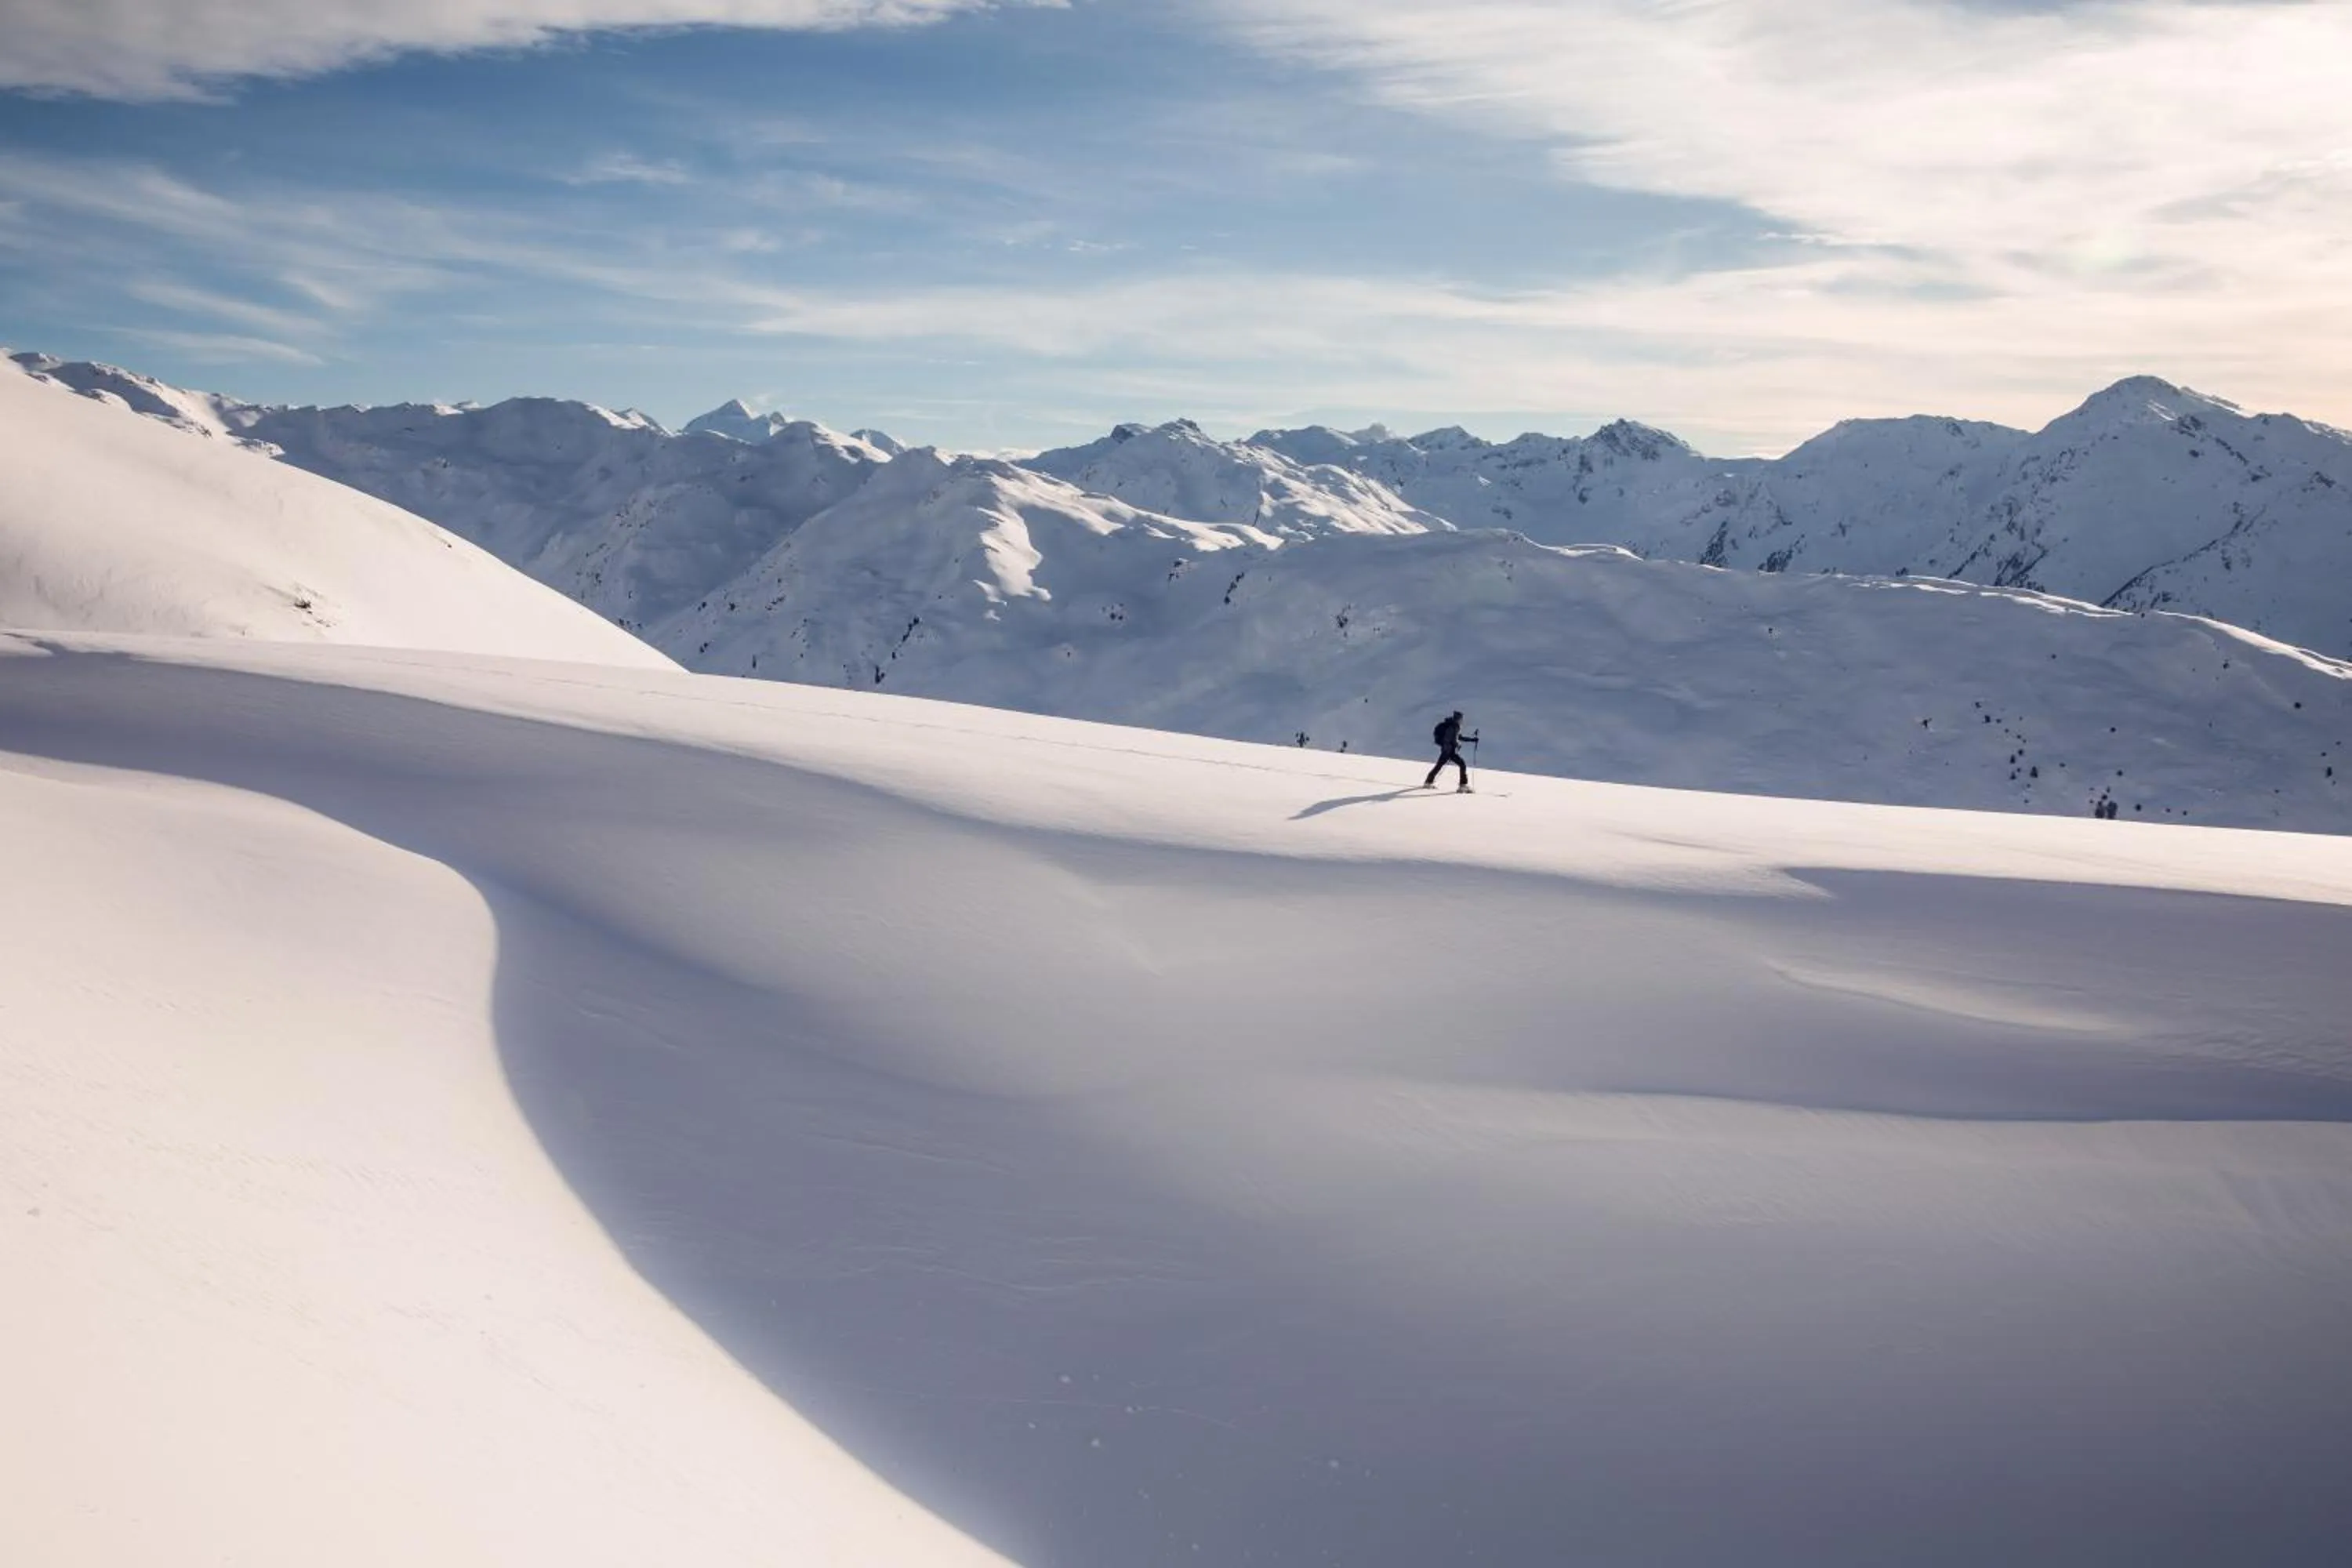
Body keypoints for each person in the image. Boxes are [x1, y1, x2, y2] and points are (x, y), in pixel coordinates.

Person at [1424, 710, 1473, 791]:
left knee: (1439, 766)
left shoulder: (1453, 726)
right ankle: (1463, 786)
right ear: (1458, 719)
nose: (1462, 720)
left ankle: (1428, 782)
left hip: (1446, 751)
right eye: (1461, 718)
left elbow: (1458, 737)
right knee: (1462, 764)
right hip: (1449, 751)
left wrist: (1472, 740)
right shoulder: (1454, 727)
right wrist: (1458, 744)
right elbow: (1453, 739)